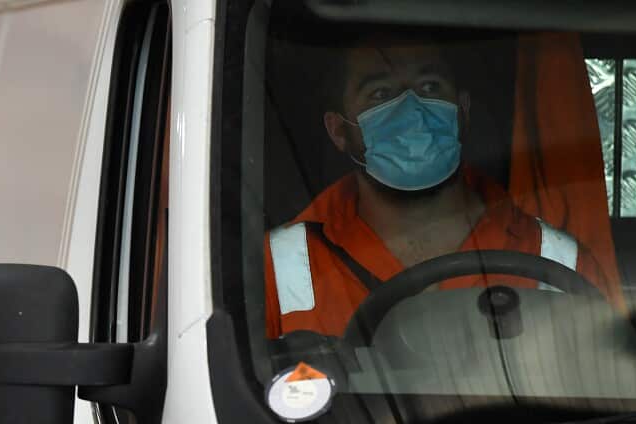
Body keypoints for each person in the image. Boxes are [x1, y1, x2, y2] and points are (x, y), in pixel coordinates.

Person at [265, 31, 618, 337]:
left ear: (462, 110)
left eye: (429, 86)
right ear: (338, 130)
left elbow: (602, 394)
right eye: (380, 93)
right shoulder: (281, 263)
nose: (412, 108)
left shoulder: (557, 259)